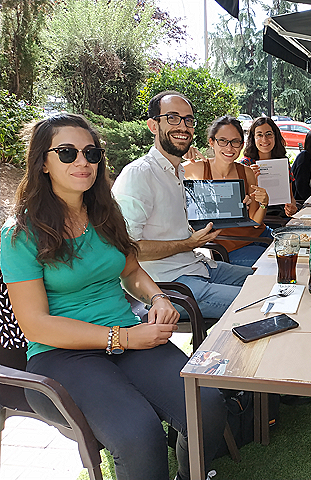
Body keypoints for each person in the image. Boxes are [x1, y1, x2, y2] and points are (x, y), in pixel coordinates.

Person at [0, 113, 227, 480]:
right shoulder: (21, 234)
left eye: (90, 153)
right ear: (43, 161)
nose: (82, 162)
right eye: (67, 152)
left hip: (127, 338)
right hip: (61, 357)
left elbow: (132, 271)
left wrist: (157, 299)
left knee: (208, 403)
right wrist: (124, 337)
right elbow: (35, 325)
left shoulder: (105, 215)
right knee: (139, 434)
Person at [112, 91, 253, 319]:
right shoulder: (139, 174)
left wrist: (235, 210)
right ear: (153, 125)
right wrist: (188, 243)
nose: (183, 126)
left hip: (198, 267)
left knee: (266, 280)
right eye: (173, 118)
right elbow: (127, 249)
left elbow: (179, 225)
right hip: (171, 288)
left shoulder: (178, 171)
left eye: (188, 120)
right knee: (260, 303)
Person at [183, 116, 271, 267]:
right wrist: (180, 155)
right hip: (231, 247)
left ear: (241, 145)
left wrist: (264, 203)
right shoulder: (197, 169)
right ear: (212, 142)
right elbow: (162, 175)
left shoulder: (246, 172)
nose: (229, 148)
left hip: (261, 236)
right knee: (275, 266)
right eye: (222, 141)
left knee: (296, 252)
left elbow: (256, 223)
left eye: (235, 142)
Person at [240, 117, 297, 217]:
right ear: (253, 138)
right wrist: (250, 180)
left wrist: (292, 207)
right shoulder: (246, 164)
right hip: (255, 217)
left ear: (275, 136)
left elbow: (290, 197)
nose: (264, 139)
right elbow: (241, 201)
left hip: (280, 216)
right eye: (259, 135)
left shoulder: (283, 163)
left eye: (268, 134)